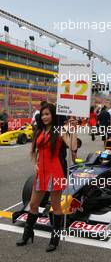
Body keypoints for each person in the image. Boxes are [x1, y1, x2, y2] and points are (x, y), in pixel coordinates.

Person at [16, 103, 77, 252]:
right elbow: (32, 151)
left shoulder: (60, 130)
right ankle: (28, 233)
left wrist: (73, 131)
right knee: (33, 205)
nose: (44, 117)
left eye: (47, 114)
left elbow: (73, 147)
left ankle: (54, 239)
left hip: (55, 171)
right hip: (41, 173)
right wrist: (35, 164)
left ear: (53, 115)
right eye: (42, 114)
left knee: (55, 206)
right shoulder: (38, 130)